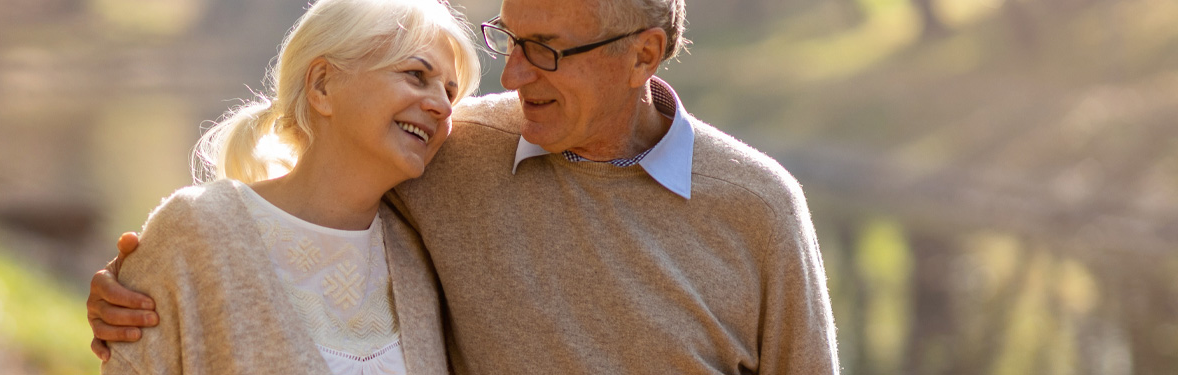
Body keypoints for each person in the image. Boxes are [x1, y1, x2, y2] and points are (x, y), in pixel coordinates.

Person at [88, 0, 841, 373]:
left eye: (544, 51)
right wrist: (140, 286)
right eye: (509, 40)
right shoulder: (451, 148)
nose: (510, 79)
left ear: (643, 54)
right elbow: (303, 203)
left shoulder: (758, 209)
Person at [96, 0, 483, 373]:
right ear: (322, 85)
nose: (444, 108)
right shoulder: (194, 229)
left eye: (450, 92)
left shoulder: (425, 256)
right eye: (416, 75)